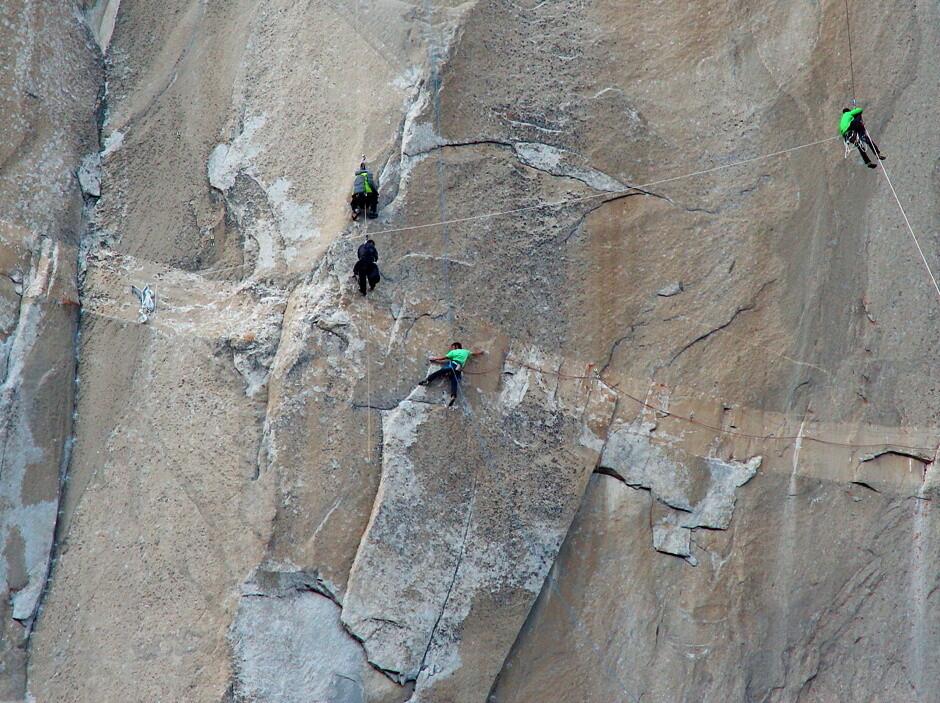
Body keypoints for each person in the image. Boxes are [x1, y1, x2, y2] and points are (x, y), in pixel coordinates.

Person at [418, 342, 485, 405]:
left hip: (453, 365)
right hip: (459, 368)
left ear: (456, 346)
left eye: (452, 347)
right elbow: (474, 354)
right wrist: (481, 353)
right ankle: (453, 396)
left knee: (439, 372)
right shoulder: (466, 352)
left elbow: (444, 358)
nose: (451, 348)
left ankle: (427, 380)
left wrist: (434, 359)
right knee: (454, 381)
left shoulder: (454, 351)